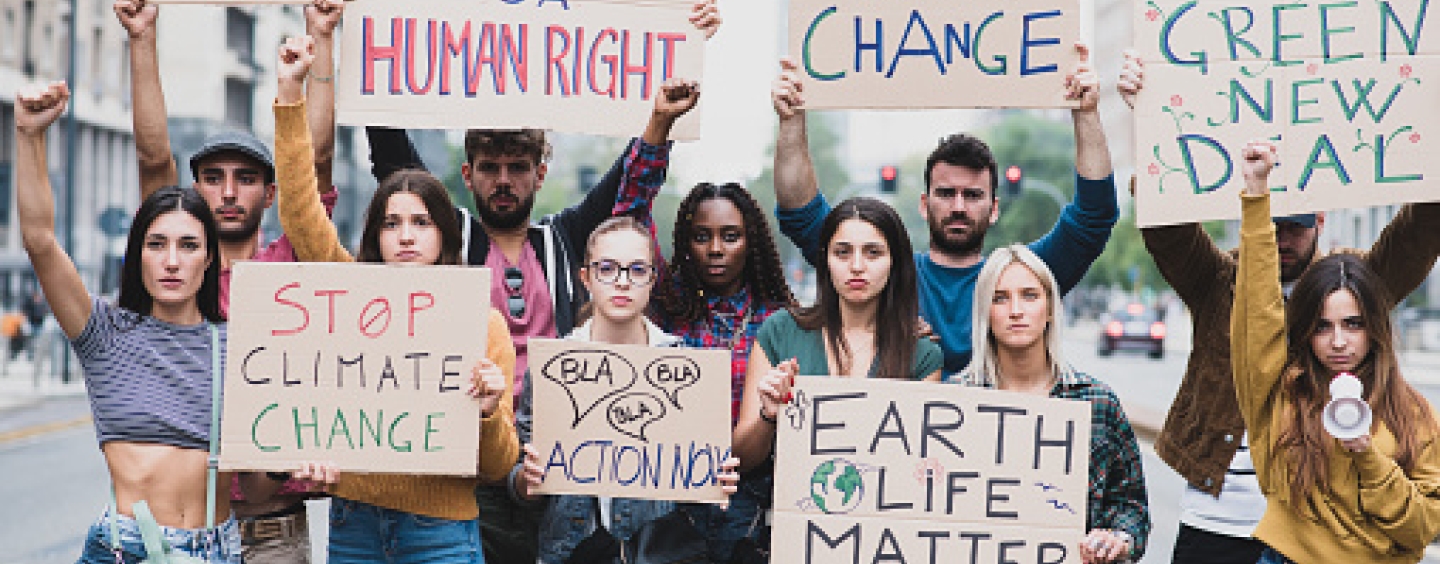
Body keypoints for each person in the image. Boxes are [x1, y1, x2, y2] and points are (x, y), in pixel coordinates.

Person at [362, 4, 717, 559]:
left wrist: (659, 121)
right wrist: (364, 49)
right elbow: (392, 162)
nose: (503, 181)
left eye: (518, 166)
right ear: (467, 175)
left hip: (561, 461)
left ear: (540, 173)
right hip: (468, 455)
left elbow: (630, 188)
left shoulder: (568, 236)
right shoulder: (446, 236)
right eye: (489, 167)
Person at [1115, 53, 1440, 564]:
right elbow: (1166, 227)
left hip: (1316, 527)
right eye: (1273, 224)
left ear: (1320, 219)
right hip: (1217, 515)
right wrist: (1148, 117)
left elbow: (1418, 237)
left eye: (1295, 226)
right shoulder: (1218, 278)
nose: (1282, 237)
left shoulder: (1355, 283)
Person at [270, 36, 519, 564]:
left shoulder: (484, 322)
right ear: (376, 237)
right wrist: (291, 96)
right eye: (392, 223)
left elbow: (498, 466)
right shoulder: (349, 293)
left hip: (442, 534)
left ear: (444, 236)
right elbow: (300, 214)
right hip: (354, 525)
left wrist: (490, 409)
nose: (406, 236)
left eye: (421, 222)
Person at [114, 2, 347, 559]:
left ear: (269, 194)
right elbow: (151, 157)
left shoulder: (294, 265)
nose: (226, 192)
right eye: (212, 179)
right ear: (194, 189)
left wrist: (321, 37)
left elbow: (314, 159)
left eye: (244, 179)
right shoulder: (177, 274)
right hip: (185, 534)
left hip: (275, 535)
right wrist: (141, 39)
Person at [17, 81, 275, 563]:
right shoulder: (104, 335)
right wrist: (29, 136)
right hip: (127, 549)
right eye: (156, 245)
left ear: (209, 260)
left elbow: (256, 486)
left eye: (188, 245)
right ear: (137, 257)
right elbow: (39, 240)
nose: (172, 261)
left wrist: (283, 466)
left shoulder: (238, 347)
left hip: (217, 548)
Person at [769, 44, 1118, 377]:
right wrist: (791, 119)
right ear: (925, 203)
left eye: (973, 195)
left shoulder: (1018, 278)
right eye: (946, 193)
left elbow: (1093, 217)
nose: (958, 206)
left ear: (994, 208)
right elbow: (801, 212)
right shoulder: (882, 268)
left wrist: (1085, 113)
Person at [1231, 140, 1440, 564]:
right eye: (1322, 327)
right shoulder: (1279, 395)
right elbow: (1257, 313)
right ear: (1305, 333)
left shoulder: (1414, 413)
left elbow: (1422, 526)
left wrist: (1368, 455)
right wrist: (1256, 194)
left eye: (1353, 324)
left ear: (1376, 329)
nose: (1339, 342)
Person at [508, 216, 741, 564]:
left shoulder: (686, 368)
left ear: (652, 280)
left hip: (659, 552)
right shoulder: (551, 367)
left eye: (636, 270)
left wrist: (716, 477)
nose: (621, 281)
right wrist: (526, 480)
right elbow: (517, 473)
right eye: (607, 268)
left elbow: (696, 476)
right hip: (570, 551)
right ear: (585, 278)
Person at [955, 244, 1150, 563]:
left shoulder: (1097, 402)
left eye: (1029, 295)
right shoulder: (955, 403)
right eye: (1000, 298)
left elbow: (1133, 507)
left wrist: (1117, 539)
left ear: (1049, 308)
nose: (1015, 310)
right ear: (984, 313)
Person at [734, 197, 944, 475]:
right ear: (826, 260)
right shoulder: (780, 331)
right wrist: (768, 414)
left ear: (895, 261)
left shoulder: (922, 355)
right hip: (786, 512)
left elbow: (917, 466)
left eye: (873, 253)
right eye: (843, 252)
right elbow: (742, 458)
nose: (857, 266)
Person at [645, 182, 797, 561]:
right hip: (670, 494)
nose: (715, 249)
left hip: (750, 498)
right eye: (701, 236)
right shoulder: (663, 305)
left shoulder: (779, 319)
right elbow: (629, 215)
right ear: (685, 242)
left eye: (730, 237)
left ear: (752, 241)